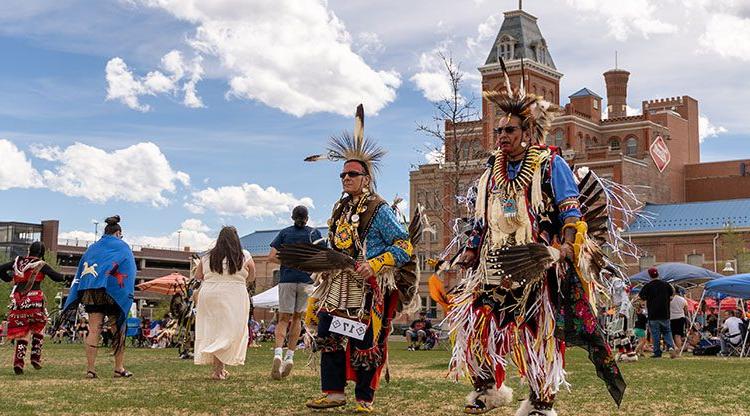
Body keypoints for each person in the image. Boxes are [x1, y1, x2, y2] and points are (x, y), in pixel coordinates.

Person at [446, 63, 626, 416]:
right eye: (499, 130)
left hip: (537, 264)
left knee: (537, 335)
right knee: (476, 326)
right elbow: (481, 219)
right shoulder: (490, 172)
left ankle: (541, 402)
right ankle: (488, 389)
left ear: (527, 132)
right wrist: (469, 251)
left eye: (510, 130)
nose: (502, 137)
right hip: (494, 262)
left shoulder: (549, 165)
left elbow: (571, 215)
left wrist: (563, 249)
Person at [287, 104, 417, 413]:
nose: (346, 178)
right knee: (329, 336)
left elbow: (405, 246)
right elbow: (335, 243)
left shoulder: (380, 209)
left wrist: (373, 263)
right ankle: (333, 393)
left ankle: (364, 398)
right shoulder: (339, 209)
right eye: (343, 174)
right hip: (337, 284)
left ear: (366, 178)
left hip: (367, 286)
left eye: (352, 174)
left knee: (365, 342)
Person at [62, 215, 137, 378]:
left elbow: (82, 269)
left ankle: (90, 369)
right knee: (117, 328)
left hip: (92, 290)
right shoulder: (123, 247)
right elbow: (130, 271)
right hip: (113, 291)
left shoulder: (93, 248)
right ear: (118, 233)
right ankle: (119, 368)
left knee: (94, 328)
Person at [268, 205, 323, 379]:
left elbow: (271, 257)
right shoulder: (314, 234)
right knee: (298, 318)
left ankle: (278, 353)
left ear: (292, 217)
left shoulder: (284, 233)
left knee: (283, 319)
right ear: (307, 218)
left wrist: (289, 261)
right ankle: (290, 356)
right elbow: (322, 256)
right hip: (306, 281)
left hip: (287, 279)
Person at [193, 226, 256, 380]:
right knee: (231, 330)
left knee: (214, 329)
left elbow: (198, 275)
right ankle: (218, 369)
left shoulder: (207, 256)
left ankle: (219, 367)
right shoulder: (244, 255)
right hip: (234, 294)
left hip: (210, 293)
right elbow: (252, 276)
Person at [0, 241, 66, 374]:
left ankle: (18, 362)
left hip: (18, 300)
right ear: (41, 253)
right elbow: (57, 277)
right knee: (39, 326)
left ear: (29, 250)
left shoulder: (17, 261)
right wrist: (68, 277)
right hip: (34, 300)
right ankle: (35, 357)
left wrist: (8, 279)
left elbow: (0, 269)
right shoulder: (41, 264)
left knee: (23, 331)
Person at [638, 268, 677, 358]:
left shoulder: (647, 286)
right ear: (658, 274)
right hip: (665, 313)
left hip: (653, 314)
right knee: (667, 331)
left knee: (655, 334)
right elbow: (672, 294)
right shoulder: (666, 285)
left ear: (649, 275)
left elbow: (641, 297)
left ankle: (657, 352)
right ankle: (671, 347)